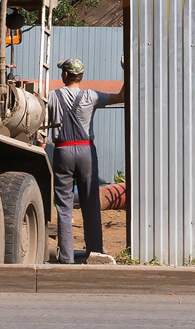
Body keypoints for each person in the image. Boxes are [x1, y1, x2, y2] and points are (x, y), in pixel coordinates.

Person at [48, 57, 125, 264]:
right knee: (90, 203)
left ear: (65, 74)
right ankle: (95, 253)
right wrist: (126, 69)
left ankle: (66, 257)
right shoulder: (91, 96)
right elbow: (123, 96)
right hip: (86, 152)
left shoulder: (53, 97)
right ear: (80, 76)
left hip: (62, 151)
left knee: (64, 206)